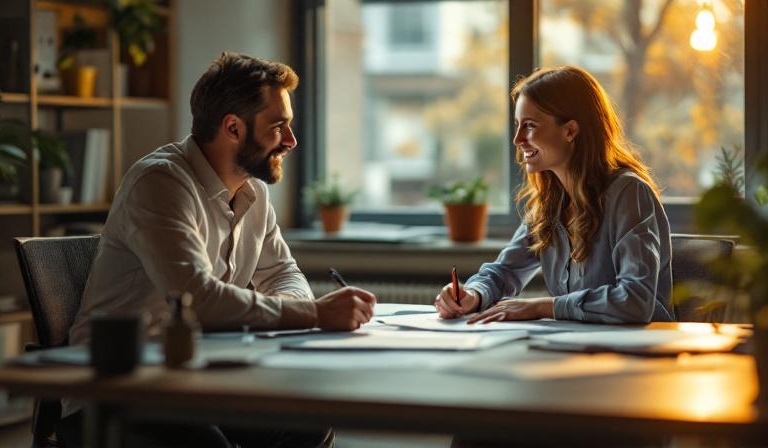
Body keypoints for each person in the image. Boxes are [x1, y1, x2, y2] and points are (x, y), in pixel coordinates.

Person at [59, 52, 376, 447]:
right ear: (233, 128)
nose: (291, 141)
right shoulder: (161, 182)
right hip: (117, 388)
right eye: (279, 127)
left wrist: (292, 308)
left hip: (198, 377)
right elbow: (197, 300)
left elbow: (283, 274)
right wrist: (314, 312)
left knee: (307, 421)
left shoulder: (253, 192)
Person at [434, 65, 674, 325]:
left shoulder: (629, 193)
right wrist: (473, 293)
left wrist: (541, 307)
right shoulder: (551, 202)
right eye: (517, 125)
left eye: (529, 126)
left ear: (570, 130)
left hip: (639, 352)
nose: (517, 139)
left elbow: (635, 301)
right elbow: (504, 271)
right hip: (577, 351)